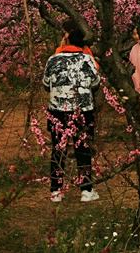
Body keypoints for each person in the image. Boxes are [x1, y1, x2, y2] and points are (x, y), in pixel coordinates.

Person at [43, 23, 101, 202]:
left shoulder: (53, 59)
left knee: (58, 149)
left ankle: (56, 191)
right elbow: (95, 83)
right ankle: (86, 190)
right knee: (83, 149)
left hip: (57, 110)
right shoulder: (87, 60)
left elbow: (46, 84)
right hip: (82, 110)